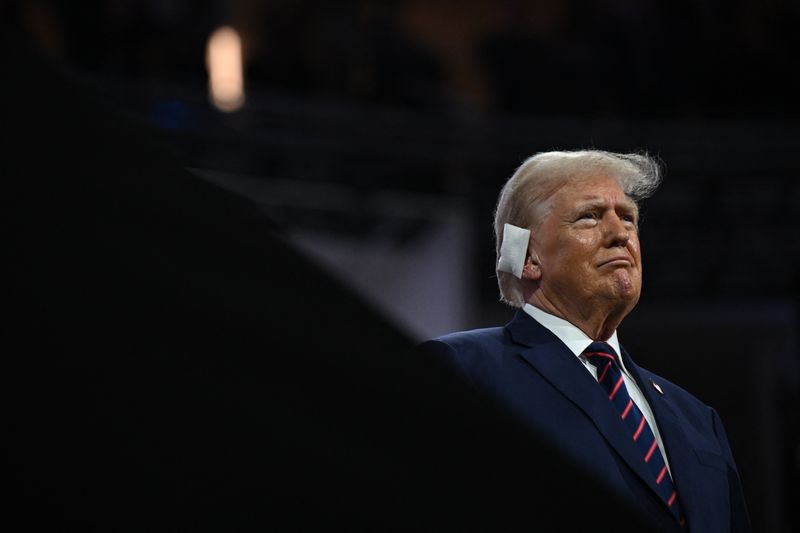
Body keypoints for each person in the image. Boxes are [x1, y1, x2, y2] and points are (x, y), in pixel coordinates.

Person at [421, 150, 751, 532]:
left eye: (628, 217)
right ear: (528, 258)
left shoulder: (698, 419)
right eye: (589, 217)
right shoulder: (464, 370)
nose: (620, 234)